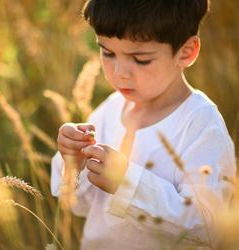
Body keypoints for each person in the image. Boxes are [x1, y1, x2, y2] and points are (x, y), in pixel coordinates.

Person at [51, 0, 236, 249]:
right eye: (108, 53)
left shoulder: (200, 123)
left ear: (186, 51)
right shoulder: (111, 108)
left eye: (140, 59)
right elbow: (78, 206)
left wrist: (126, 182)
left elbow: (206, 228)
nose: (120, 73)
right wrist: (72, 163)